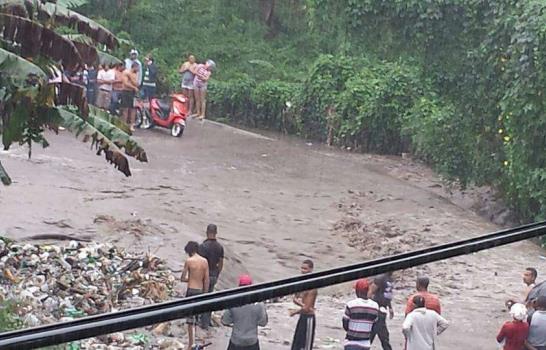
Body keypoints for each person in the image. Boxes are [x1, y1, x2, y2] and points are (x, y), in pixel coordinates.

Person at [221, 274, 268, 350]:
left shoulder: (233, 302)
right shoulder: (259, 304)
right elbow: (263, 323)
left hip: (236, 341)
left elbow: (225, 321)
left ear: (239, 287)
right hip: (252, 342)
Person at [181, 241, 210, 350]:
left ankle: (190, 344)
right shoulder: (204, 261)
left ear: (189, 251)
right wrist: (205, 293)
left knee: (190, 320)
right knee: (197, 317)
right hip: (200, 290)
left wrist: (191, 278)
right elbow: (206, 279)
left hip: (191, 290)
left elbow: (182, 277)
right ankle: (198, 343)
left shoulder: (189, 261)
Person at [198, 224, 225, 330]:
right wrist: (218, 273)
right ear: (216, 233)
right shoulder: (220, 247)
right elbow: (221, 263)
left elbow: (200, 262)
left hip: (205, 276)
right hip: (214, 275)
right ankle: (207, 320)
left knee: (202, 297)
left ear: (207, 232)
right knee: (210, 297)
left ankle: (201, 321)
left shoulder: (203, 246)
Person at [342, 278, 379, 350]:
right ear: (367, 290)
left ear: (357, 291)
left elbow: (345, 324)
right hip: (365, 344)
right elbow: (374, 326)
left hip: (351, 343)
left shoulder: (351, 304)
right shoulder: (375, 306)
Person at [290, 259, 318, 350]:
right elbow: (296, 298)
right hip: (302, 317)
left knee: (306, 346)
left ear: (311, 270)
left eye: (305, 269)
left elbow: (307, 308)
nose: (303, 271)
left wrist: (295, 311)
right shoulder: (302, 283)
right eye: (302, 268)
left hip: (308, 318)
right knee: (297, 345)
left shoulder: (312, 287)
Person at [368, 272, 394, 350]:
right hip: (377, 310)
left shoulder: (390, 279)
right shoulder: (380, 278)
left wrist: (390, 307)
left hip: (383, 310)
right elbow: (370, 292)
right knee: (383, 336)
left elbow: (387, 294)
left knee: (375, 334)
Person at [121, 62, 139, 131]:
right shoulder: (126, 72)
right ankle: (124, 124)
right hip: (126, 91)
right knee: (125, 109)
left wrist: (131, 79)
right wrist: (133, 87)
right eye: (137, 68)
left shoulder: (134, 74)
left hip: (132, 93)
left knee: (133, 109)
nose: (138, 70)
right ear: (134, 67)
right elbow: (125, 83)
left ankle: (132, 125)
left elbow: (136, 83)